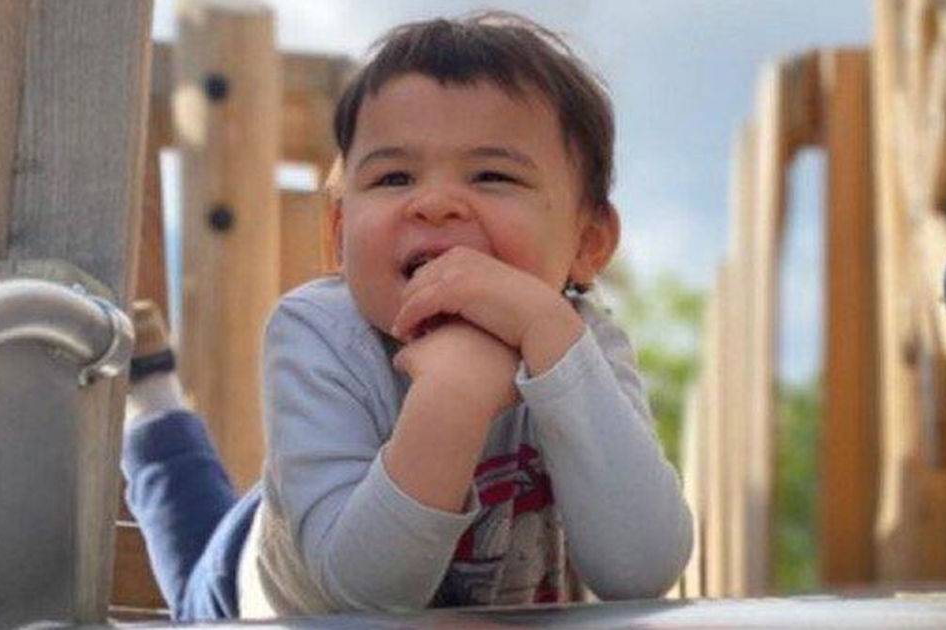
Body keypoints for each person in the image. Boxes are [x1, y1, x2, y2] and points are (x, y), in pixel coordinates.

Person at [123, 11, 692, 621]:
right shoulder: (317, 333)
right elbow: (363, 599)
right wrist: (453, 396)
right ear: (339, 235)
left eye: (492, 176)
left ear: (588, 243)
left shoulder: (586, 344)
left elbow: (641, 570)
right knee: (189, 561)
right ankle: (153, 403)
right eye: (394, 176)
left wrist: (550, 336)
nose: (435, 203)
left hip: (396, 548)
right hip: (267, 589)